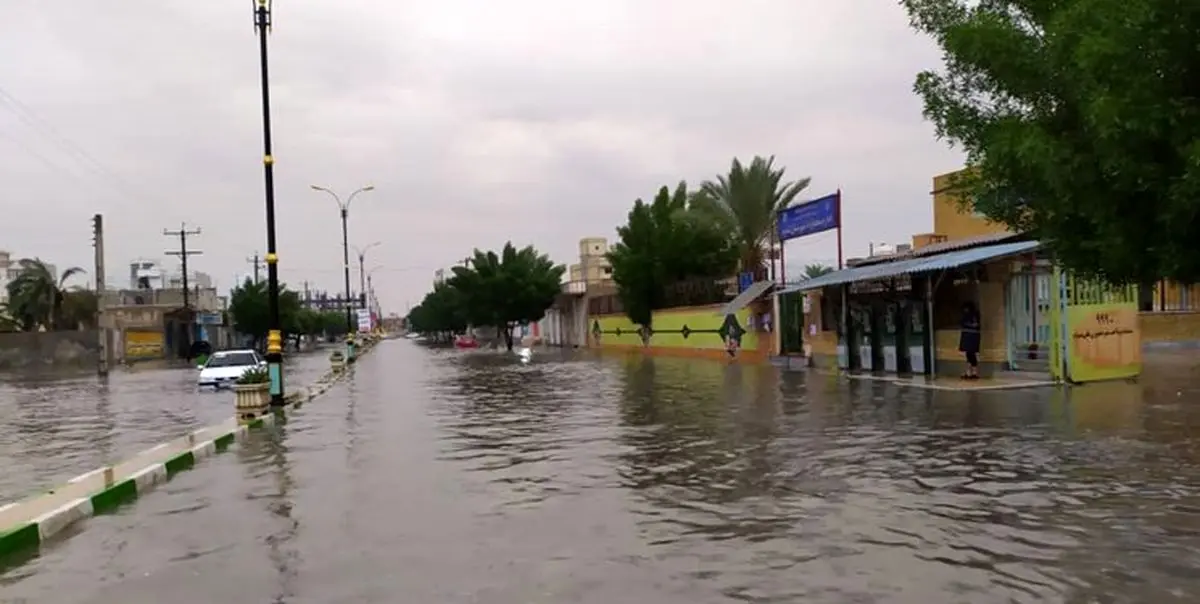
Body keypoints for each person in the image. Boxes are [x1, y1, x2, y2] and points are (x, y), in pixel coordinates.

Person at [959, 301, 981, 379]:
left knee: (970, 354)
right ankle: (970, 372)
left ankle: (973, 372)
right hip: (970, 336)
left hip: (971, 336)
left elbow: (975, 324)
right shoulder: (969, 315)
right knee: (969, 354)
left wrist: (968, 325)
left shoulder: (973, 315)